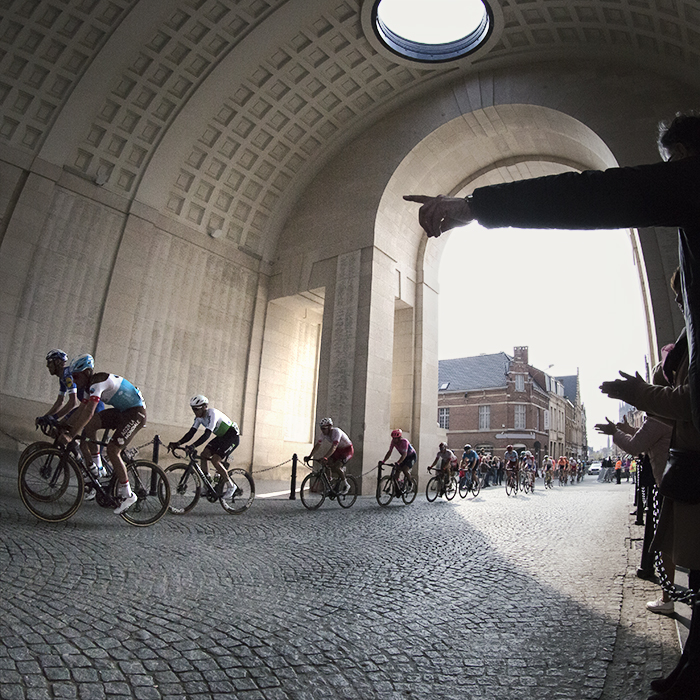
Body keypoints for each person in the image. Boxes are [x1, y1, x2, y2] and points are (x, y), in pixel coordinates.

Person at [57, 354, 147, 514]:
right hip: (122, 411)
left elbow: (88, 413)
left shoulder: (98, 383)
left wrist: (71, 435)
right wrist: (64, 423)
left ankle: (128, 494)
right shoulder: (88, 387)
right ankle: (98, 466)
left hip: (135, 414)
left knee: (113, 450)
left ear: (86, 373)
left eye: (76, 377)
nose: (75, 381)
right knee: (91, 426)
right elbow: (81, 411)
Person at [168, 395, 240, 499]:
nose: (195, 412)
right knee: (204, 455)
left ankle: (231, 486)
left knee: (215, 460)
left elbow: (206, 435)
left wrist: (193, 446)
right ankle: (208, 485)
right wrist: (178, 443)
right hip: (221, 437)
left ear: (204, 407)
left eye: (196, 409)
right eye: (193, 409)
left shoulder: (212, 414)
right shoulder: (198, 418)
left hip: (232, 437)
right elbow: (191, 433)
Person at [305, 417, 353, 494]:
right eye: (321, 429)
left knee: (337, 466)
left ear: (330, 427)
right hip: (338, 450)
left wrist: (325, 457)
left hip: (347, 450)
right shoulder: (324, 434)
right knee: (326, 464)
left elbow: (333, 447)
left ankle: (346, 484)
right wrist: (310, 456)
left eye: (324, 429)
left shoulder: (336, 432)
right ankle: (329, 485)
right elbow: (317, 445)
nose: (322, 431)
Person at [37, 349, 79, 425]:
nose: (47, 365)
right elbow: (60, 402)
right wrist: (46, 417)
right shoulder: (62, 377)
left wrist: (54, 417)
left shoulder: (68, 376)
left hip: (89, 407)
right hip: (86, 405)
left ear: (57, 362)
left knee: (63, 429)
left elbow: (73, 403)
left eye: (49, 362)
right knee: (58, 429)